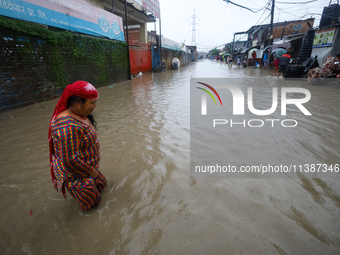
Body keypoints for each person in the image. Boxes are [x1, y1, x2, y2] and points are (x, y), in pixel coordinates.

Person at [48, 81, 107, 211]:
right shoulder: (66, 126)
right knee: (93, 204)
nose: (95, 106)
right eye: (92, 103)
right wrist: (92, 172)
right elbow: (70, 161)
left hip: (87, 167)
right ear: (78, 103)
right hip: (75, 173)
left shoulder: (80, 115)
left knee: (103, 185)